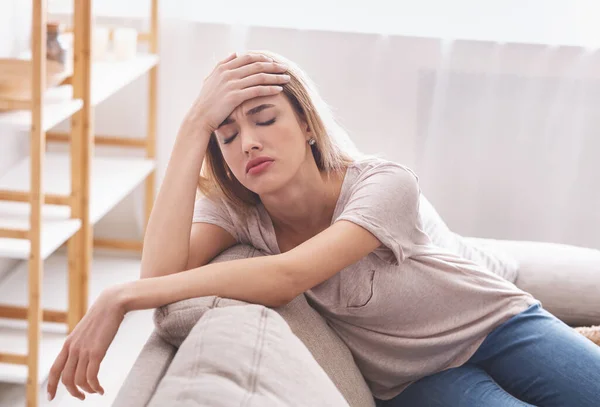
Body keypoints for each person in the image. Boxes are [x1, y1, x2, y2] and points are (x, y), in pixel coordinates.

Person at [47, 50, 600, 406]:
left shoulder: (382, 183)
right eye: (228, 135)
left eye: (265, 119)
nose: (249, 143)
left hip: (500, 324)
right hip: (417, 383)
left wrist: (120, 294)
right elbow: (162, 271)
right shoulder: (239, 211)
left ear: (308, 125)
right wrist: (193, 126)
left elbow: (289, 274)